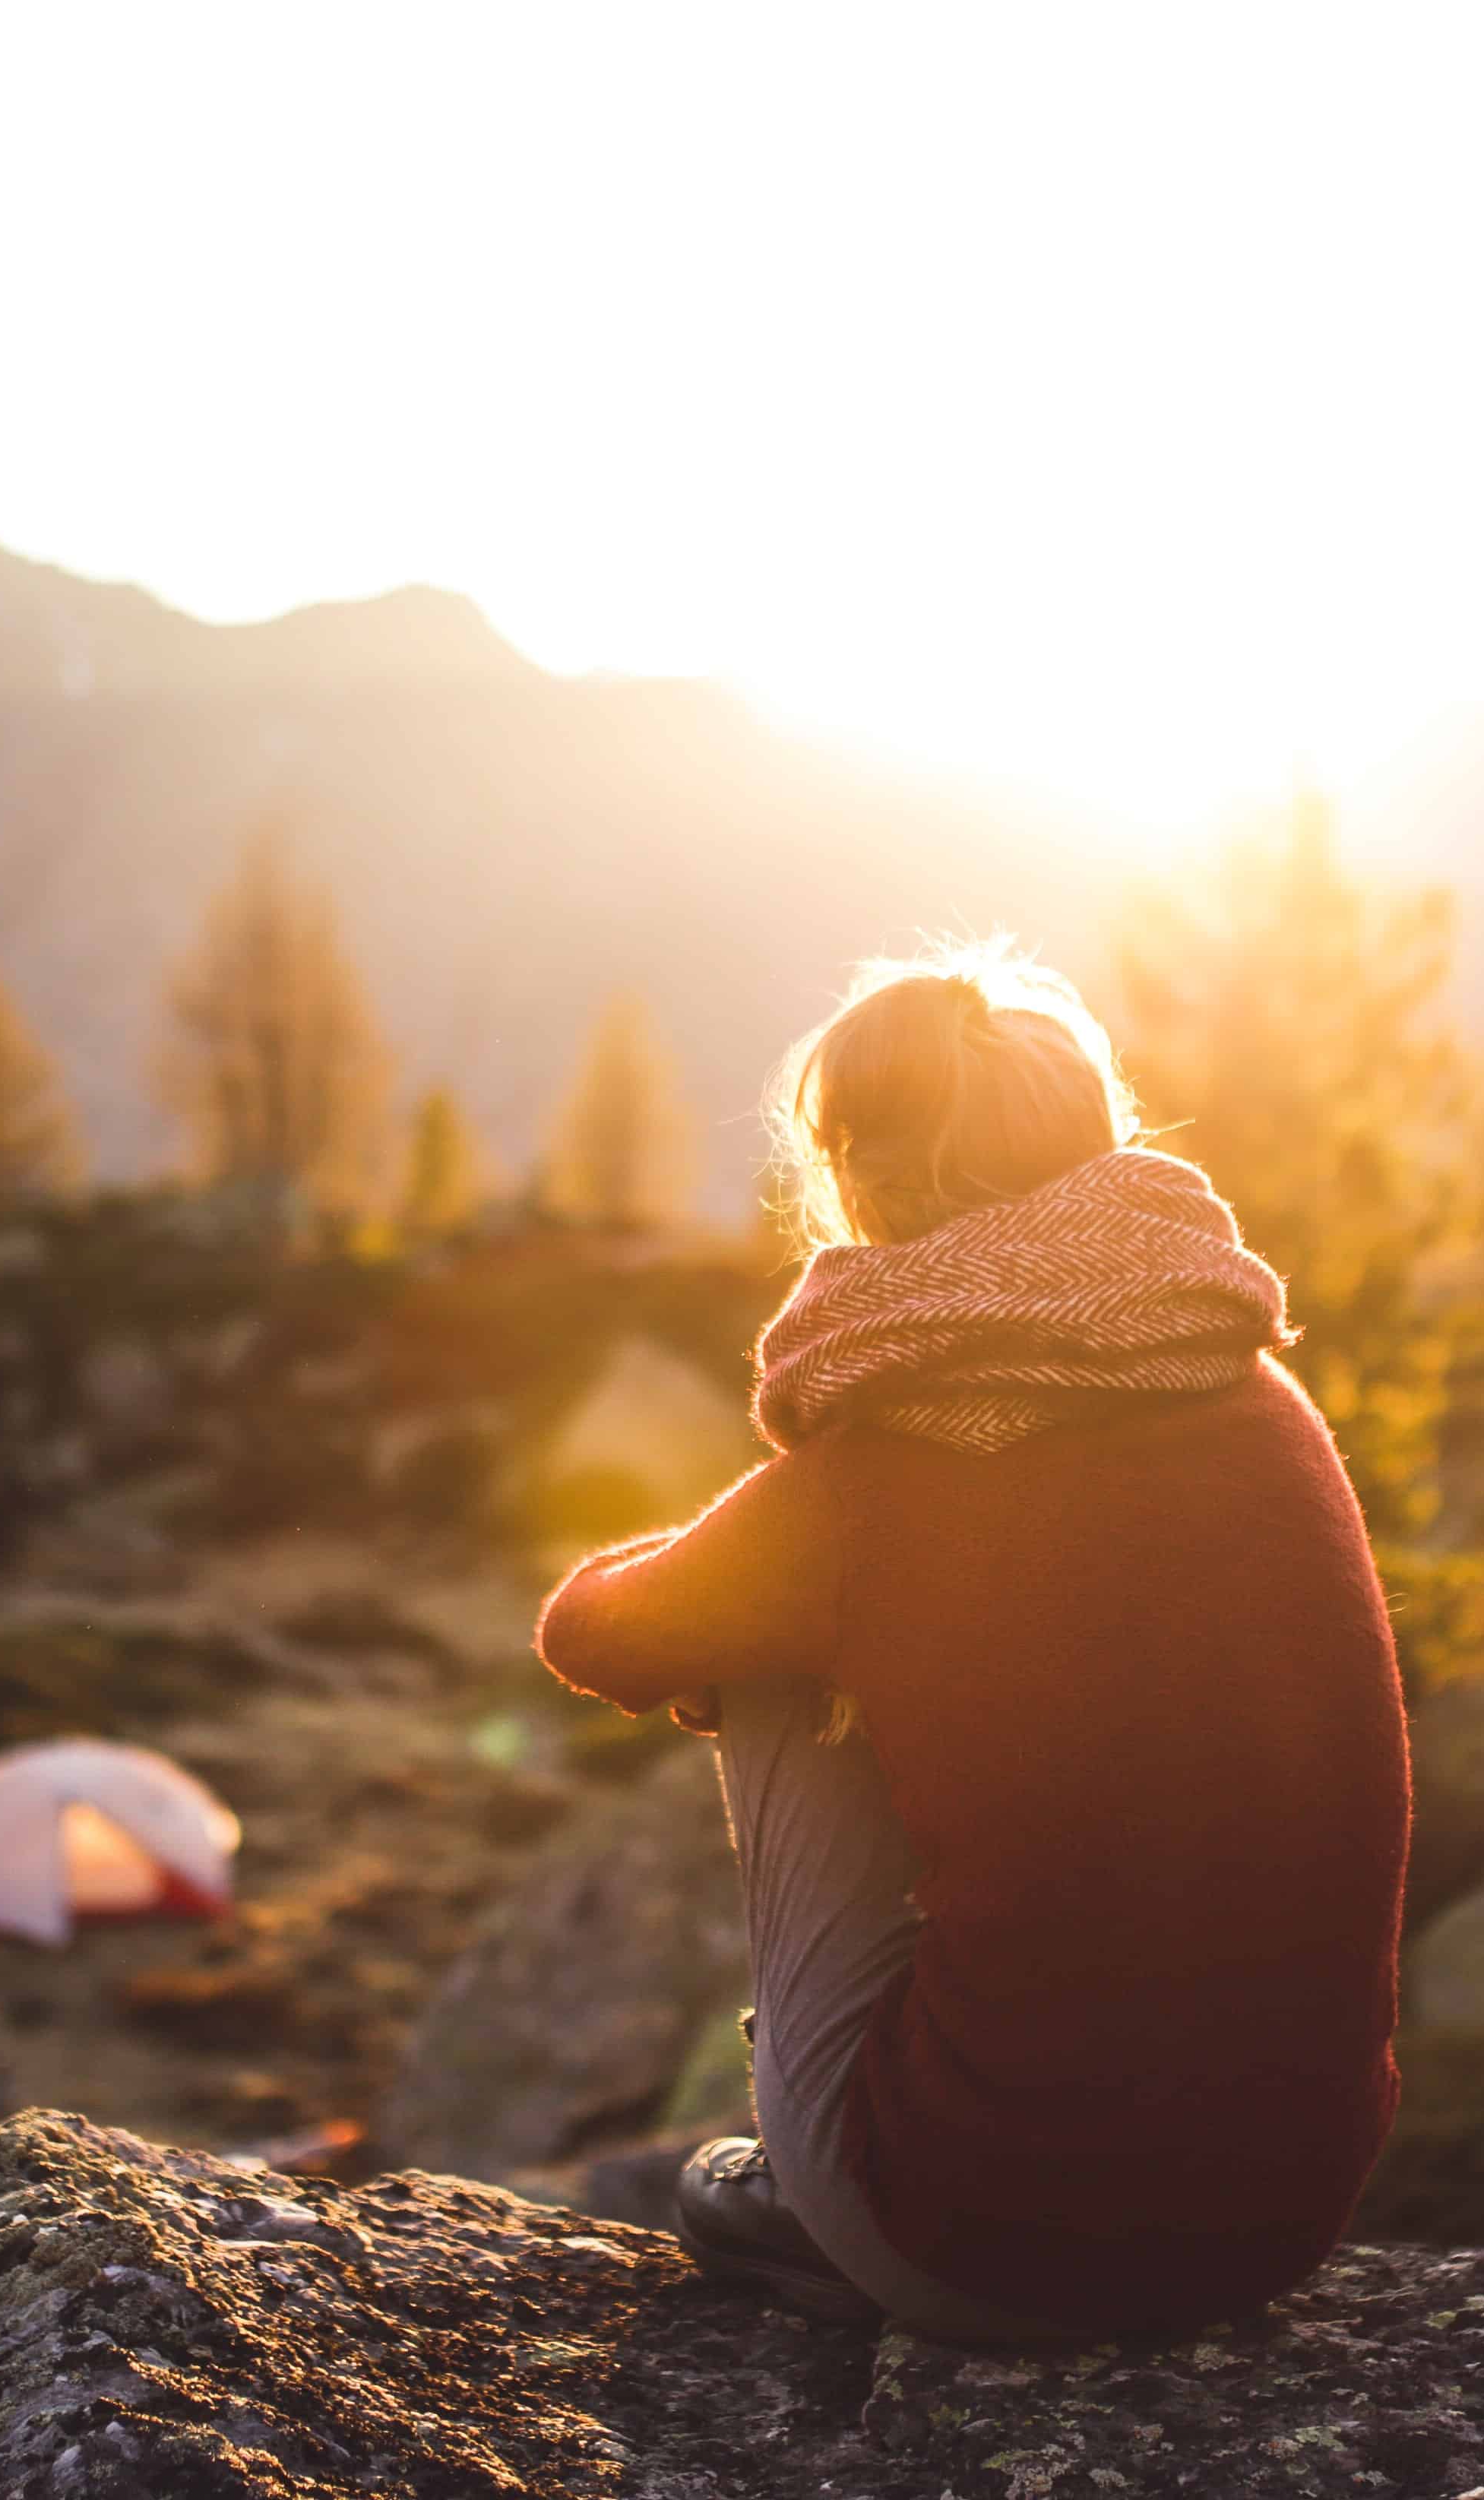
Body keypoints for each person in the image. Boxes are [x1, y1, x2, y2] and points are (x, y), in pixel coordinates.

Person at [532, 948, 1412, 2340]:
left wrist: (779, 1590)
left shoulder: (879, 1469)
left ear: (862, 1185)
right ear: (1093, 1144)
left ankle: (818, 2156)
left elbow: (596, 1634)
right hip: (1279, 2225)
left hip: (979, 2244)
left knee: (762, 1648)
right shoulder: (1258, 1395)